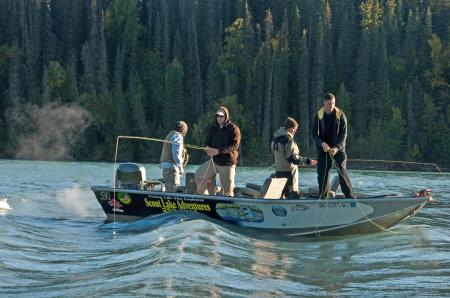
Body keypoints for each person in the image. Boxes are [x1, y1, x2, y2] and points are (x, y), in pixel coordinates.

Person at [312, 93, 355, 198]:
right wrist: (322, 143)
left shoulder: (341, 115)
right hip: (323, 149)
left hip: (338, 149)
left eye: (333, 103)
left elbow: (343, 136)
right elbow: (314, 134)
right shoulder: (318, 116)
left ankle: (350, 196)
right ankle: (323, 196)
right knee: (322, 173)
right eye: (329, 104)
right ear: (324, 103)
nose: (331, 106)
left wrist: (336, 148)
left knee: (342, 170)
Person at [195, 106, 241, 196]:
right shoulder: (213, 128)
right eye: (217, 116)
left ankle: (227, 208)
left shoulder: (234, 129)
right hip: (214, 161)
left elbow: (234, 146)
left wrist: (218, 151)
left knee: (228, 193)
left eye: (221, 116)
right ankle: (206, 199)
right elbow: (207, 142)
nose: (219, 118)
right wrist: (207, 148)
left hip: (228, 163)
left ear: (226, 117)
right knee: (198, 175)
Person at [271, 117, 317, 198]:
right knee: (293, 196)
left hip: (278, 173)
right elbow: (293, 158)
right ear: (290, 128)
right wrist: (308, 161)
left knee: (282, 196)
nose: (295, 131)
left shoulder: (275, 140)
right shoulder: (289, 141)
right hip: (289, 174)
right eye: (295, 128)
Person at [160, 121, 188, 192]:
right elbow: (176, 153)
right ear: (183, 129)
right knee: (173, 189)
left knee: (169, 187)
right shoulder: (178, 136)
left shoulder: (170, 134)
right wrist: (180, 166)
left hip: (166, 167)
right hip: (171, 167)